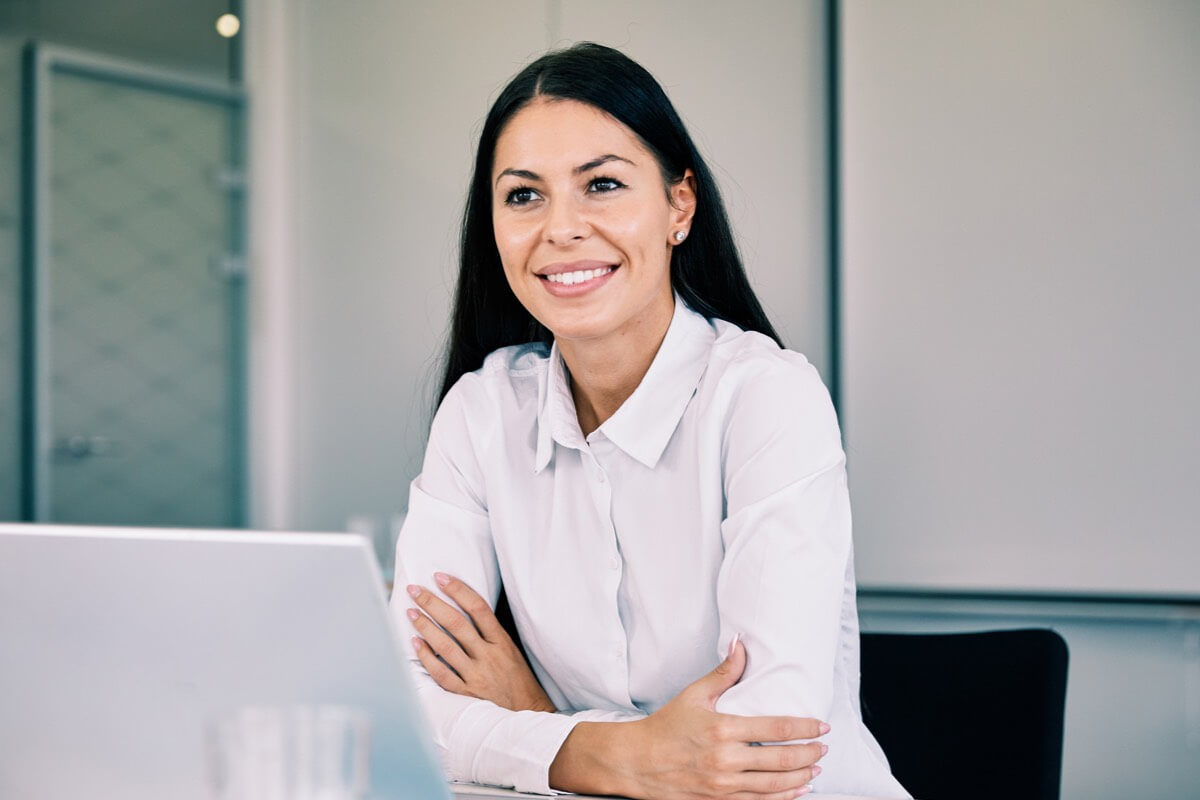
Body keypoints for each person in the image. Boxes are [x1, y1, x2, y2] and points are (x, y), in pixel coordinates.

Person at [390, 42, 909, 800]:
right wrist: (623, 755)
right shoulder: (482, 411)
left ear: (679, 206)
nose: (561, 228)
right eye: (524, 196)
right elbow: (410, 708)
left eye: (601, 184)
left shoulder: (767, 399)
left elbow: (755, 746)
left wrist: (534, 719)